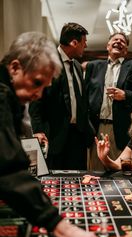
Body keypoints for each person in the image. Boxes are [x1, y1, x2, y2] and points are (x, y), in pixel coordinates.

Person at [0, 31, 95, 237]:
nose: (39, 95)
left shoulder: (10, 95)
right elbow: (8, 169)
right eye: (37, 82)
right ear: (15, 68)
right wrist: (64, 229)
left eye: (44, 88)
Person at [29, 23, 92, 170]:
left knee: (78, 180)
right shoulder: (46, 62)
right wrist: (37, 130)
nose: (86, 46)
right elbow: (35, 101)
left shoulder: (76, 65)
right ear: (74, 43)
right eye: (84, 42)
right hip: (54, 136)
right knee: (54, 182)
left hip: (78, 136)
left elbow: (81, 100)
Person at [85, 32, 132, 171]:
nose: (119, 42)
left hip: (122, 128)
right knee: (95, 170)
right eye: (115, 40)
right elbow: (85, 96)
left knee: (120, 171)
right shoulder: (93, 66)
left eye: (122, 41)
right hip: (96, 127)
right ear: (107, 46)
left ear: (126, 49)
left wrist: (126, 95)